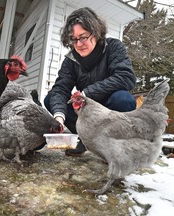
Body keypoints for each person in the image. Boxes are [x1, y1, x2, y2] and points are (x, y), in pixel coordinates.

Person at [44, 7, 137, 156]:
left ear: (95, 32)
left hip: (109, 109)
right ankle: (85, 139)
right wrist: (59, 117)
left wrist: (86, 93)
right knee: (51, 99)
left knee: (123, 99)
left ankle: (113, 144)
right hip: (85, 114)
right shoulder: (71, 59)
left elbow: (126, 77)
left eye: (83, 37)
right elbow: (61, 88)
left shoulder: (113, 47)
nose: (79, 44)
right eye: (74, 39)